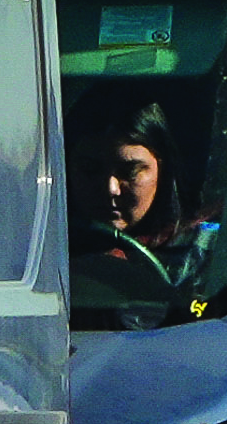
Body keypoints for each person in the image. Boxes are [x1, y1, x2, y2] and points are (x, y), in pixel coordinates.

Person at [81, 104, 205, 314]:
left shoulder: (197, 255)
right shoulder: (37, 255)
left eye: (129, 172)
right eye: (90, 170)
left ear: (162, 172)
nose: (110, 189)